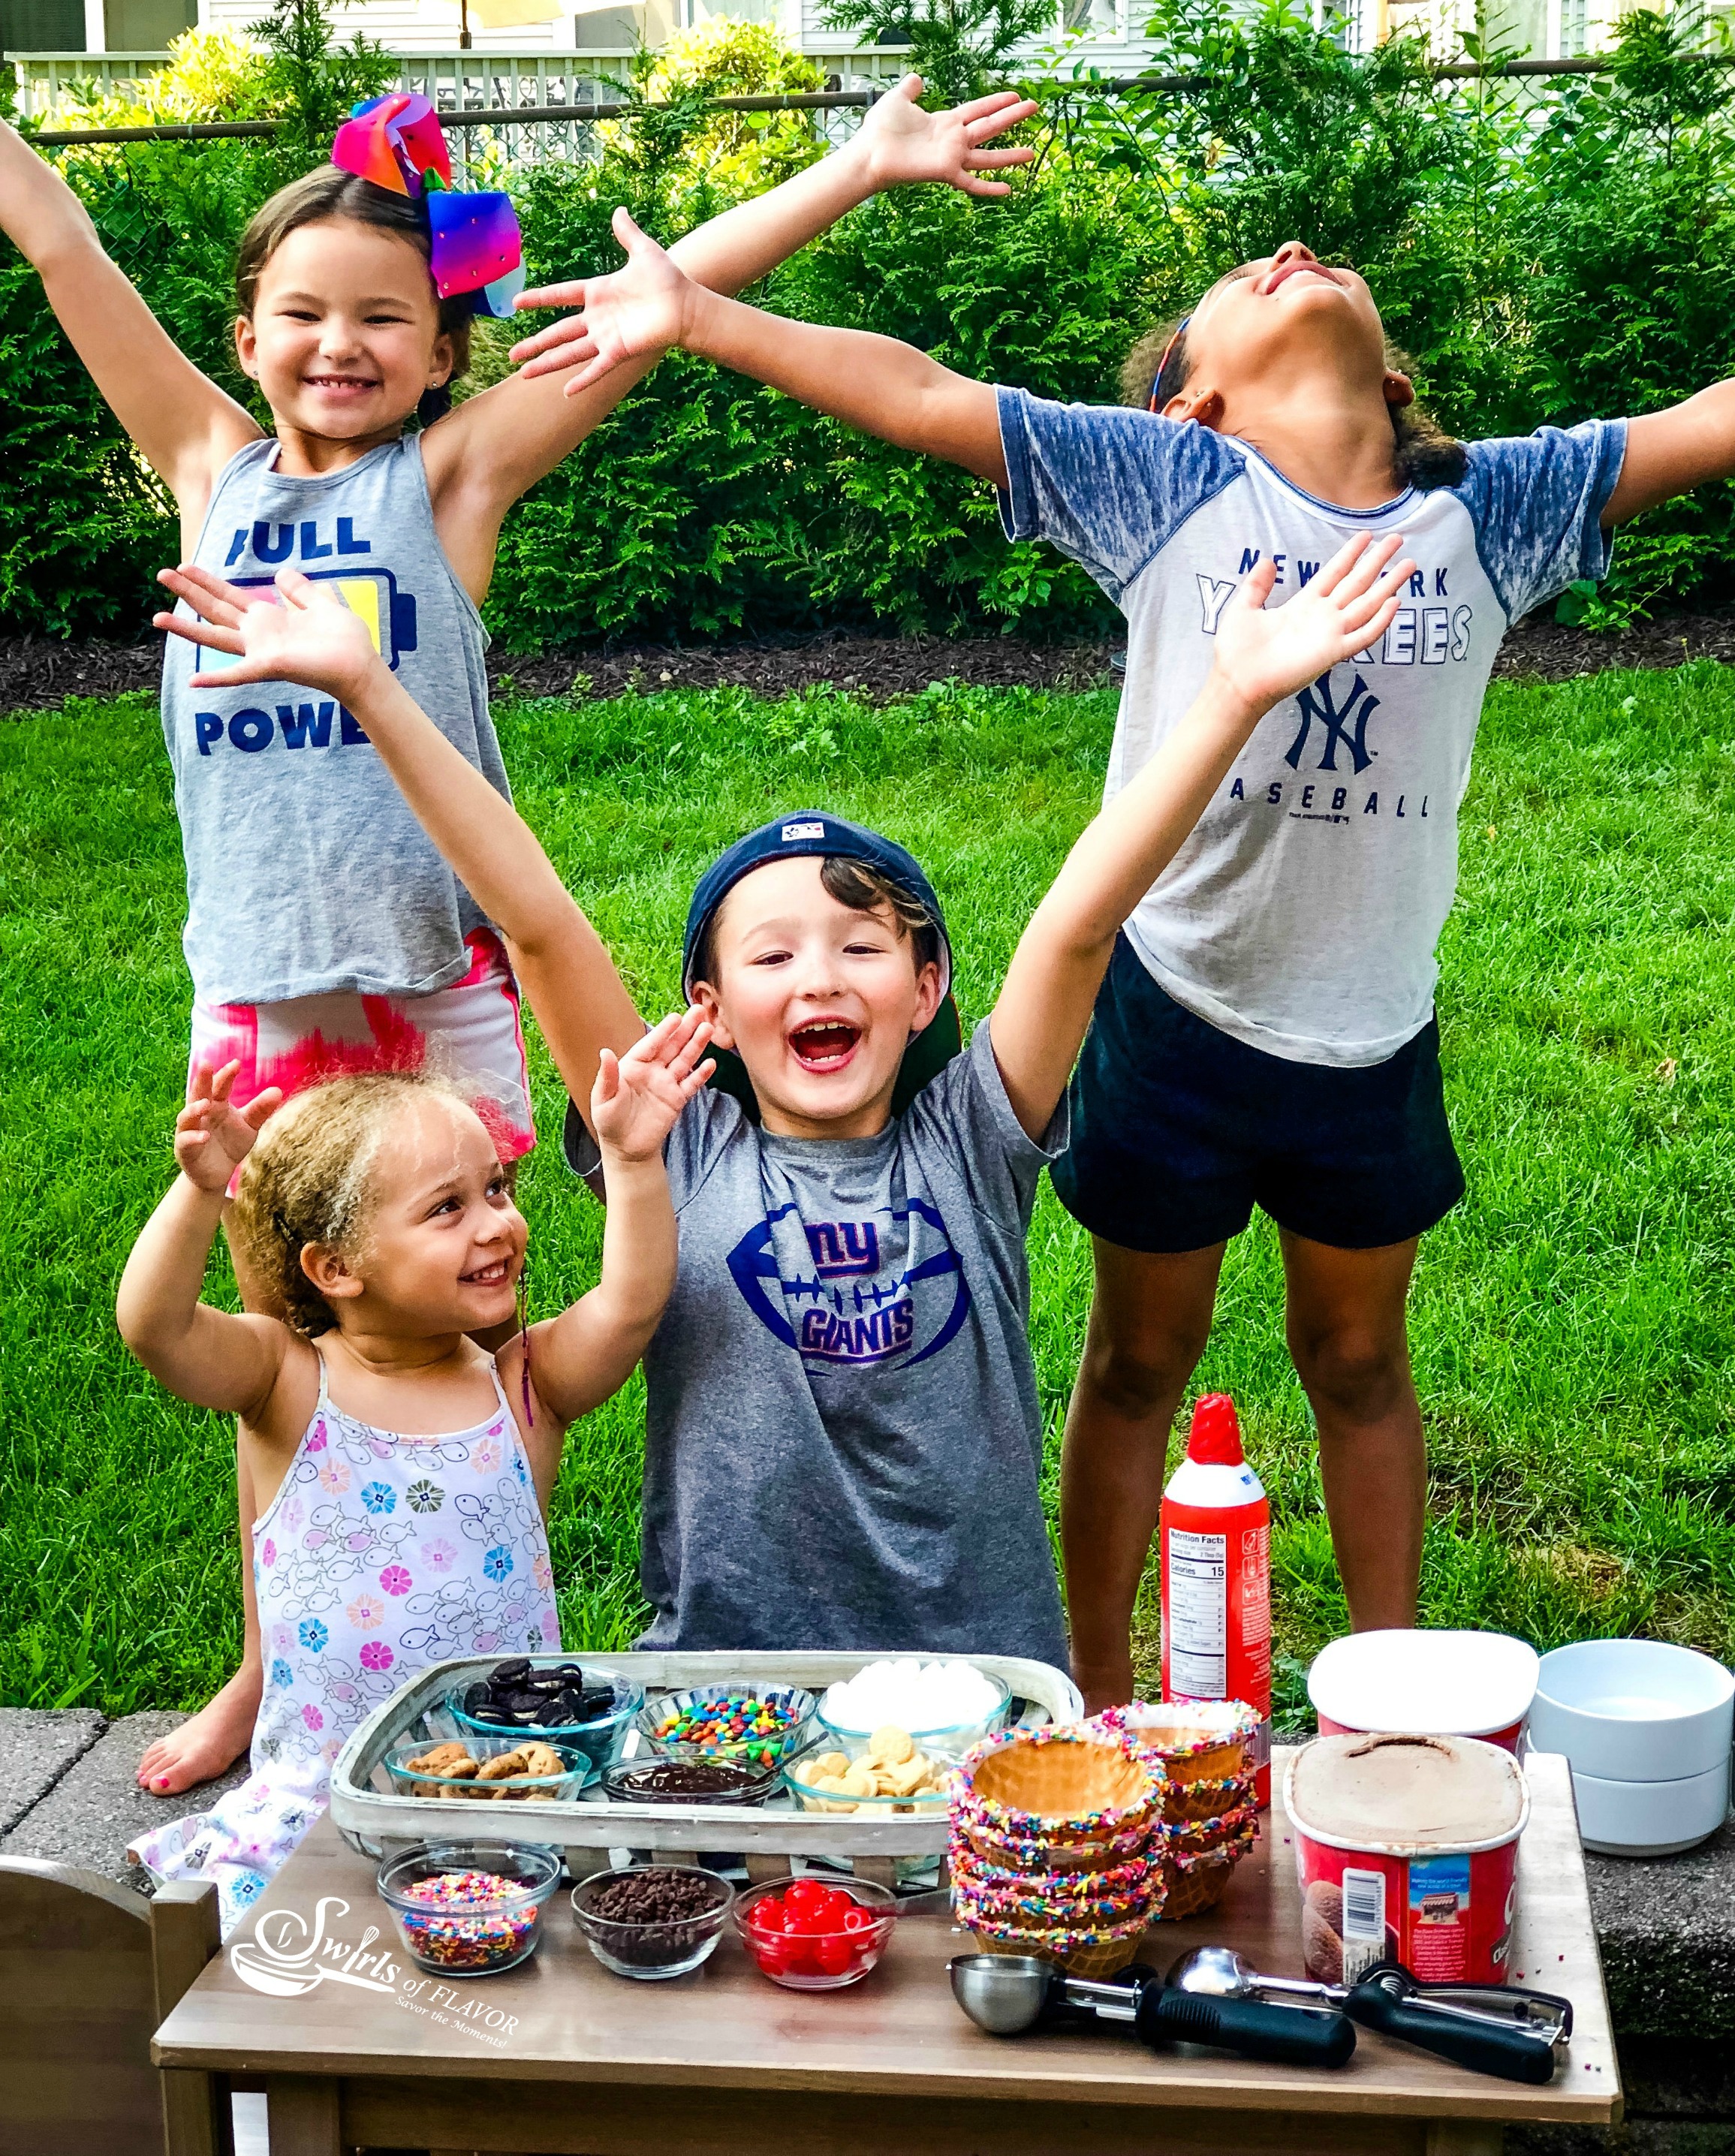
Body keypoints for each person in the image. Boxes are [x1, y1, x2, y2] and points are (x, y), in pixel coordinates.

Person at [503, 213, 1735, 1706]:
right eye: (1242, 277)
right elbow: (916, 391)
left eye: (1309, 263)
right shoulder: (1165, 480)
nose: (1287, 246)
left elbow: (1702, 423)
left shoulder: (1497, 503)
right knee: (1140, 1363)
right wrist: (699, 315)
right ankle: (1085, 1685)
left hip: (1368, 1030)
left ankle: (1399, 1694)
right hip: (1170, 1008)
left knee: (1357, 1359)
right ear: (1191, 399)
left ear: (1397, 386)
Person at [0, 78, 1038, 1790]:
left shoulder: (452, 476)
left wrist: (856, 163)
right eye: (306, 313)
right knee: (296, 1359)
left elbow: (647, 313)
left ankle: (492, 1646)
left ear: (439, 356)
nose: (341, 345)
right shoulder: (202, 465)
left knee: (477, 1336)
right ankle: (284, 1663)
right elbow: (52, 229)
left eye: (384, 321)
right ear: (247, 327)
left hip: (440, 999)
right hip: (262, 1006)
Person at [154, 519, 1415, 1670]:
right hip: (724, 1673)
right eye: (770, 955)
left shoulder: (974, 1133)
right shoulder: (671, 1134)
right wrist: (372, 685)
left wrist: (1236, 695)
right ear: (706, 1008)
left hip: (981, 1675)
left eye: (863, 947)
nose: (819, 972)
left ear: (927, 989)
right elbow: (534, 924)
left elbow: (1083, 923)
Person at [118, 1012, 714, 1933]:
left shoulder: (525, 1384)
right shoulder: (285, 1380)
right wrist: (200, 1194)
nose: (498, 1224)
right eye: (449, 1207)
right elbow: (154, 1329)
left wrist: (633, 1161)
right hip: (327, 1786)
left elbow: (632, 1305)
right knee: (295, 1968)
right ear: (336, 1266)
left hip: (511, 1779)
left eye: (498, 1188)